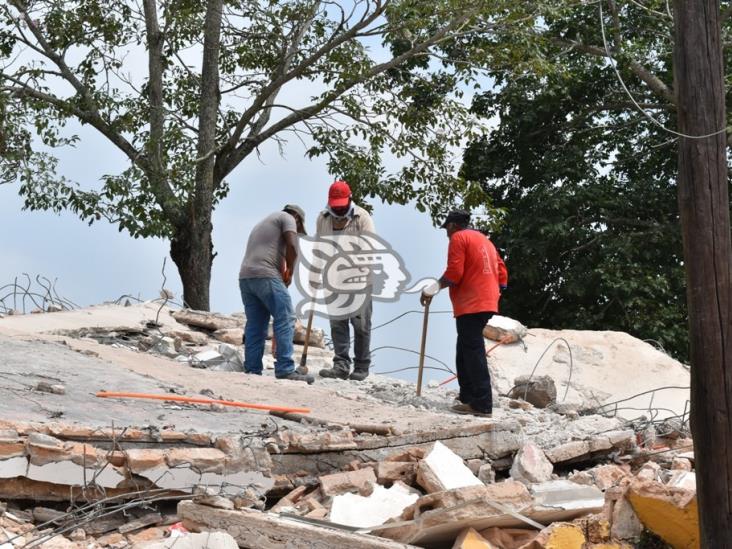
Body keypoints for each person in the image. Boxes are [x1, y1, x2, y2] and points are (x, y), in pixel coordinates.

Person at [421, 210, 508, 417]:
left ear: (452, 225)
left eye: (447, 229)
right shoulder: (484, 240)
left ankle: (482, 403)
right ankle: (467, 396)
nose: (446, 234)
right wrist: (494, 291)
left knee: (473, 350)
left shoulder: (459, 238)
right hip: (486, 301)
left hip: (472, 303)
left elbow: (454, 273)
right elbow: (502, 273)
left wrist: (432, 288)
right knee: (464, 348)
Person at [238, 205, 314, 384]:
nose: (297, 230)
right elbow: (293, 246)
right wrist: (290, 272)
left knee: (256, 325)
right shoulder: (286, 218)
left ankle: (252, 369)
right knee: (286, 317)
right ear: (296, 216)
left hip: (246, 278)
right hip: (266, 276)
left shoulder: (264, 222)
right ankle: (285, 369)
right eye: (298, 226)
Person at [316, 180, 376, 381]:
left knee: (361, 325)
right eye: (336, 206)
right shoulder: (323, 219)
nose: (339, 209)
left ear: (350, 199)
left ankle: (361, 366)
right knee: (337, 324)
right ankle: (341, 365)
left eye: (342, 205)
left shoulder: (362, 217)